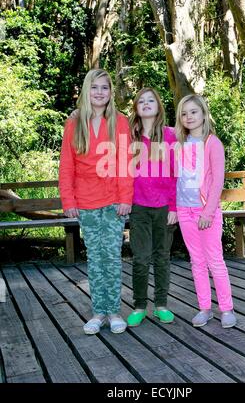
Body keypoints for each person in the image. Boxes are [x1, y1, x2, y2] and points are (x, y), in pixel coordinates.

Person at [59, 69, 133, 335]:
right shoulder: (74, 124)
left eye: (105, 88)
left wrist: (126, 198)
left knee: (112, 256)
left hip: (113, 200)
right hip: (85, 200)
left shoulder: (120, 122)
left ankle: (114, 311)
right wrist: (68, 199)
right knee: (95, 257)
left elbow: (125, 163)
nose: (100, 92)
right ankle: (98, 312)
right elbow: (67, 166)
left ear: (111, 93)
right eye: (95, 87)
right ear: (86, 91)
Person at [175, 94, 237, 328]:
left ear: (203, 114)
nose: (188, 117)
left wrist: (207, 213)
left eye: (193, 112)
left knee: (215, 260)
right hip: (184, 210)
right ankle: (205, 308)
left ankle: (227, 309)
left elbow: (217, 182)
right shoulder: (179, 143)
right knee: (196, 261)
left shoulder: (212, 143)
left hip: (206, 212)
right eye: (184, 113)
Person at [126, 87, 177, 327]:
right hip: (138, 207)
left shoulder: (170, 136)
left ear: (158, 107)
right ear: (136, 108)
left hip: (165, 207)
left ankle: (161, 304)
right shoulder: (129, 136)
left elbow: (177, 174)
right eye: (141, 101)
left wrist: (175, 207)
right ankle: (139, 305)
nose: (146, 104)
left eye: (151, 100)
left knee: (162, 257)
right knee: (141, 258)